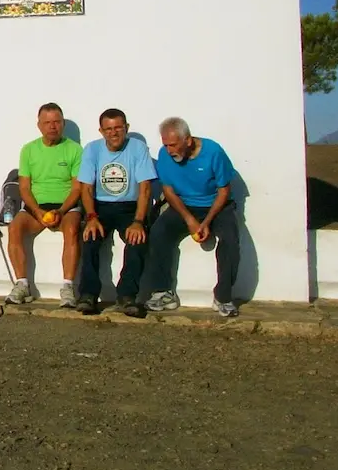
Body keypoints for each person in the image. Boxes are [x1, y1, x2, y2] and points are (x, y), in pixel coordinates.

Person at [139, 117, 241, 317]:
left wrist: (207, 221)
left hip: (216, 206)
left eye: (173, 145)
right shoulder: (165, 155)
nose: (169, 151)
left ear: (188, 140)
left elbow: (224, 191)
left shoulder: (213, 152)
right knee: (158, 232)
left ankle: (223, 297)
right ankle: (163, 292)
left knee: (230, 239)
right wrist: (189, 219)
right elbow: (168, 191)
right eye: (166, 145)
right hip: (183, 205)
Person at [75, 109, 156, 318]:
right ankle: (88, 295)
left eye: (118, 128)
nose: (113, 133)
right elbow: (85, 188)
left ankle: (127, 296)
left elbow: (145, 188)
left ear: (126, 128)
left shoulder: (138, 148)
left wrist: (138, 221)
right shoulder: (92, 149)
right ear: (101, 131)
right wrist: (91, 217)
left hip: (130, 206)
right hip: (99, 206)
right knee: (89, 238)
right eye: (108, 129)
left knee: (138, 241)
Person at [6, 103, 83, 307]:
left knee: (73, 228)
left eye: (56, 122)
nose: (52, 127)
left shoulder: (75, 149)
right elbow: (24, 187)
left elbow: (77, 189)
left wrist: (61, 210)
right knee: (14, 228)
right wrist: (38, 211)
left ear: (63, 124)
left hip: (66, 206)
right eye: (47, 122)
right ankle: (22, 284)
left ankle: (68, 287)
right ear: (39, 125)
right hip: (36, 206)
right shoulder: (29, 150)